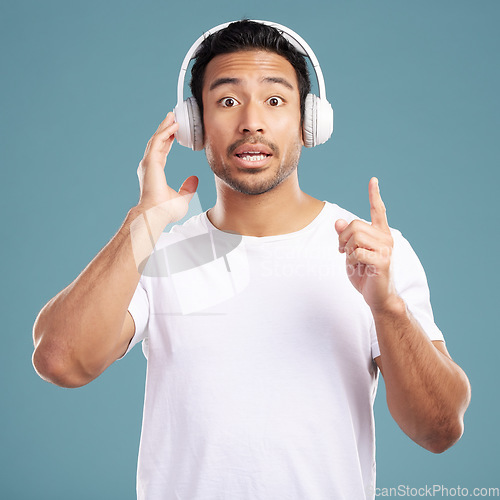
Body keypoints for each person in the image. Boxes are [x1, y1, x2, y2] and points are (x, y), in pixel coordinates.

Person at [32, 20, 471, 500]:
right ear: (194, 126)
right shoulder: (156, 253)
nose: (252, 123)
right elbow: (60, 362)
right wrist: (144, 220)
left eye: (275, 100)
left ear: (309, 122)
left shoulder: (373, 252)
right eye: (226, 101)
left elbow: (439, 431)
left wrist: (388, 309)